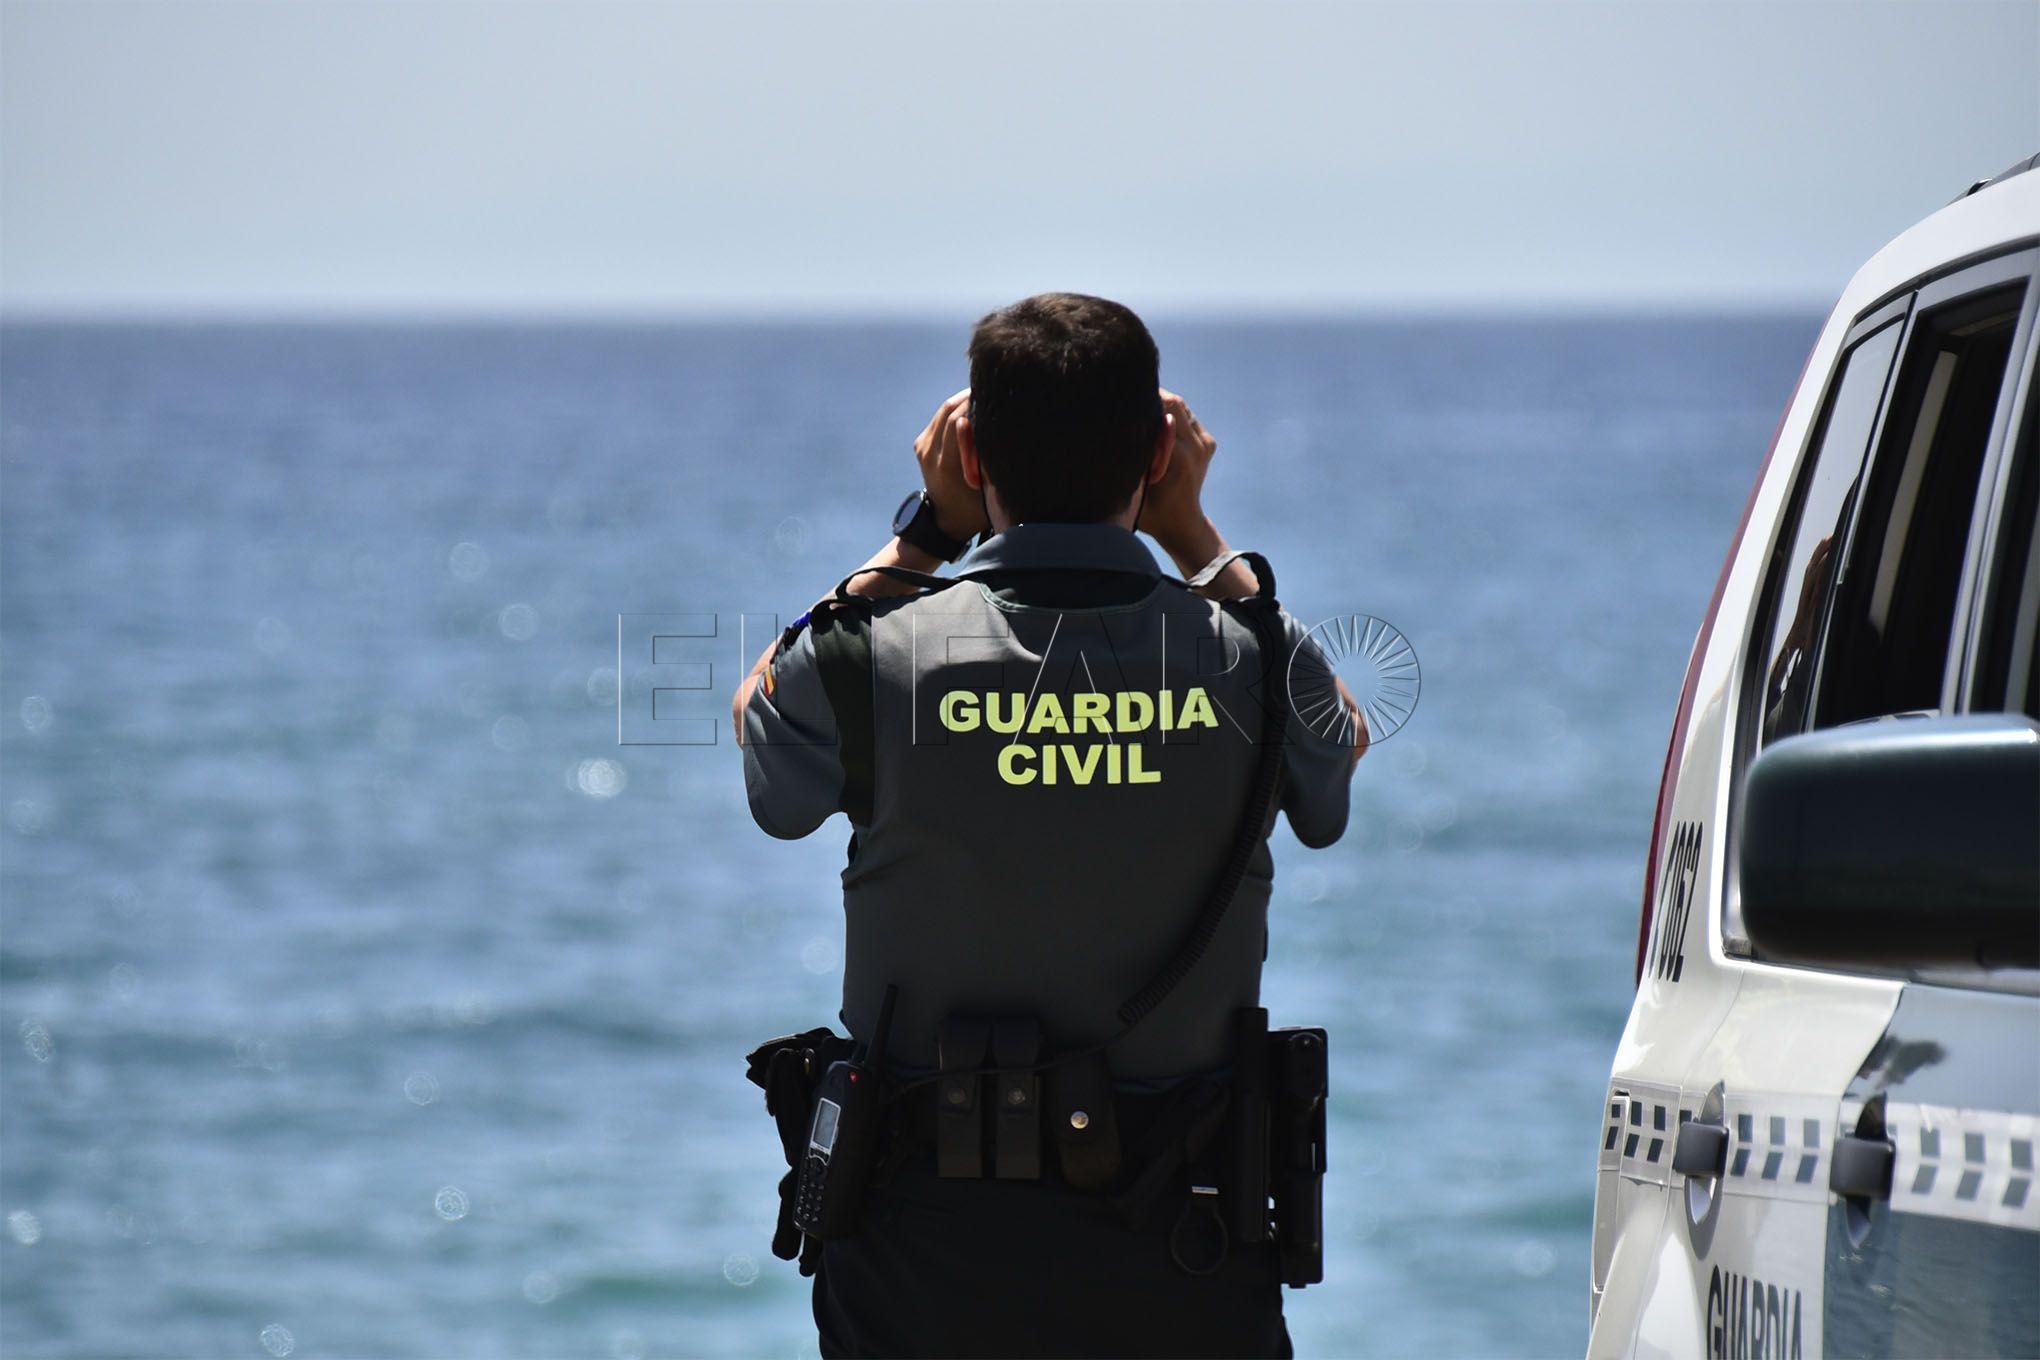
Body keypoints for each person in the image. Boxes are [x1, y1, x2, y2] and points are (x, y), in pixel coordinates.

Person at [732, 292, 1366, 1359]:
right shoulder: (1254, 661)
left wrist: (925, 538)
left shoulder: (867, 661)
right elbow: (1334, 754)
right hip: (1187, 1247)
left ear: (969, 451)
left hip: (920, 1260)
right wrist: (1197, 534)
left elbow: (763, 730)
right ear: (1161, 451)